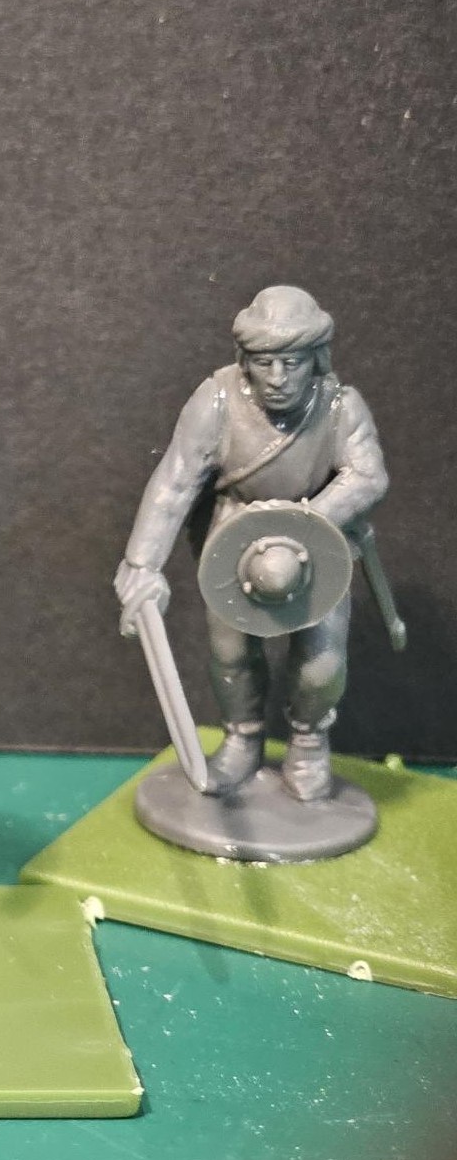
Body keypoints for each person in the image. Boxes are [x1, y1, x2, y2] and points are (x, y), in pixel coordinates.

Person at [114, 286, 389, 799]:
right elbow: (176, 482)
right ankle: (242, 738)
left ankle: (309, 740)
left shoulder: (340, 407)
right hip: (235, 540)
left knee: (322, 664)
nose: (278, 377)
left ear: (315, 359)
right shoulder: (215, 402)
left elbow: (367, 476)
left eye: (292, 362)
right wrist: (142, 564)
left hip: (318, 542)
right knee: (232, 655)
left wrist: (303, 522)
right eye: (264, 362)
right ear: (245, 361)